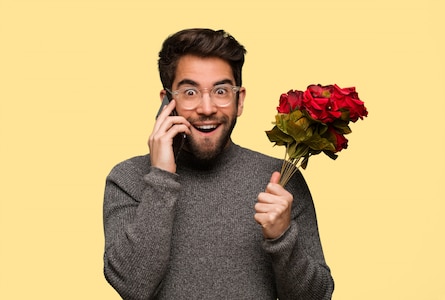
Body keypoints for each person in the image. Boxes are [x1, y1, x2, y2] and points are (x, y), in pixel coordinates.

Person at [103, 28, 334, 299]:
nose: (207, 107)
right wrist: (161, 177)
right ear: (167, 101)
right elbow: (133, 287)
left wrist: (282, 238)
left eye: (221, 90)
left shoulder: (282, 181)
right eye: (190, 92)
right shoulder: (128, 179)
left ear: (240, 100)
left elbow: (317, 297)